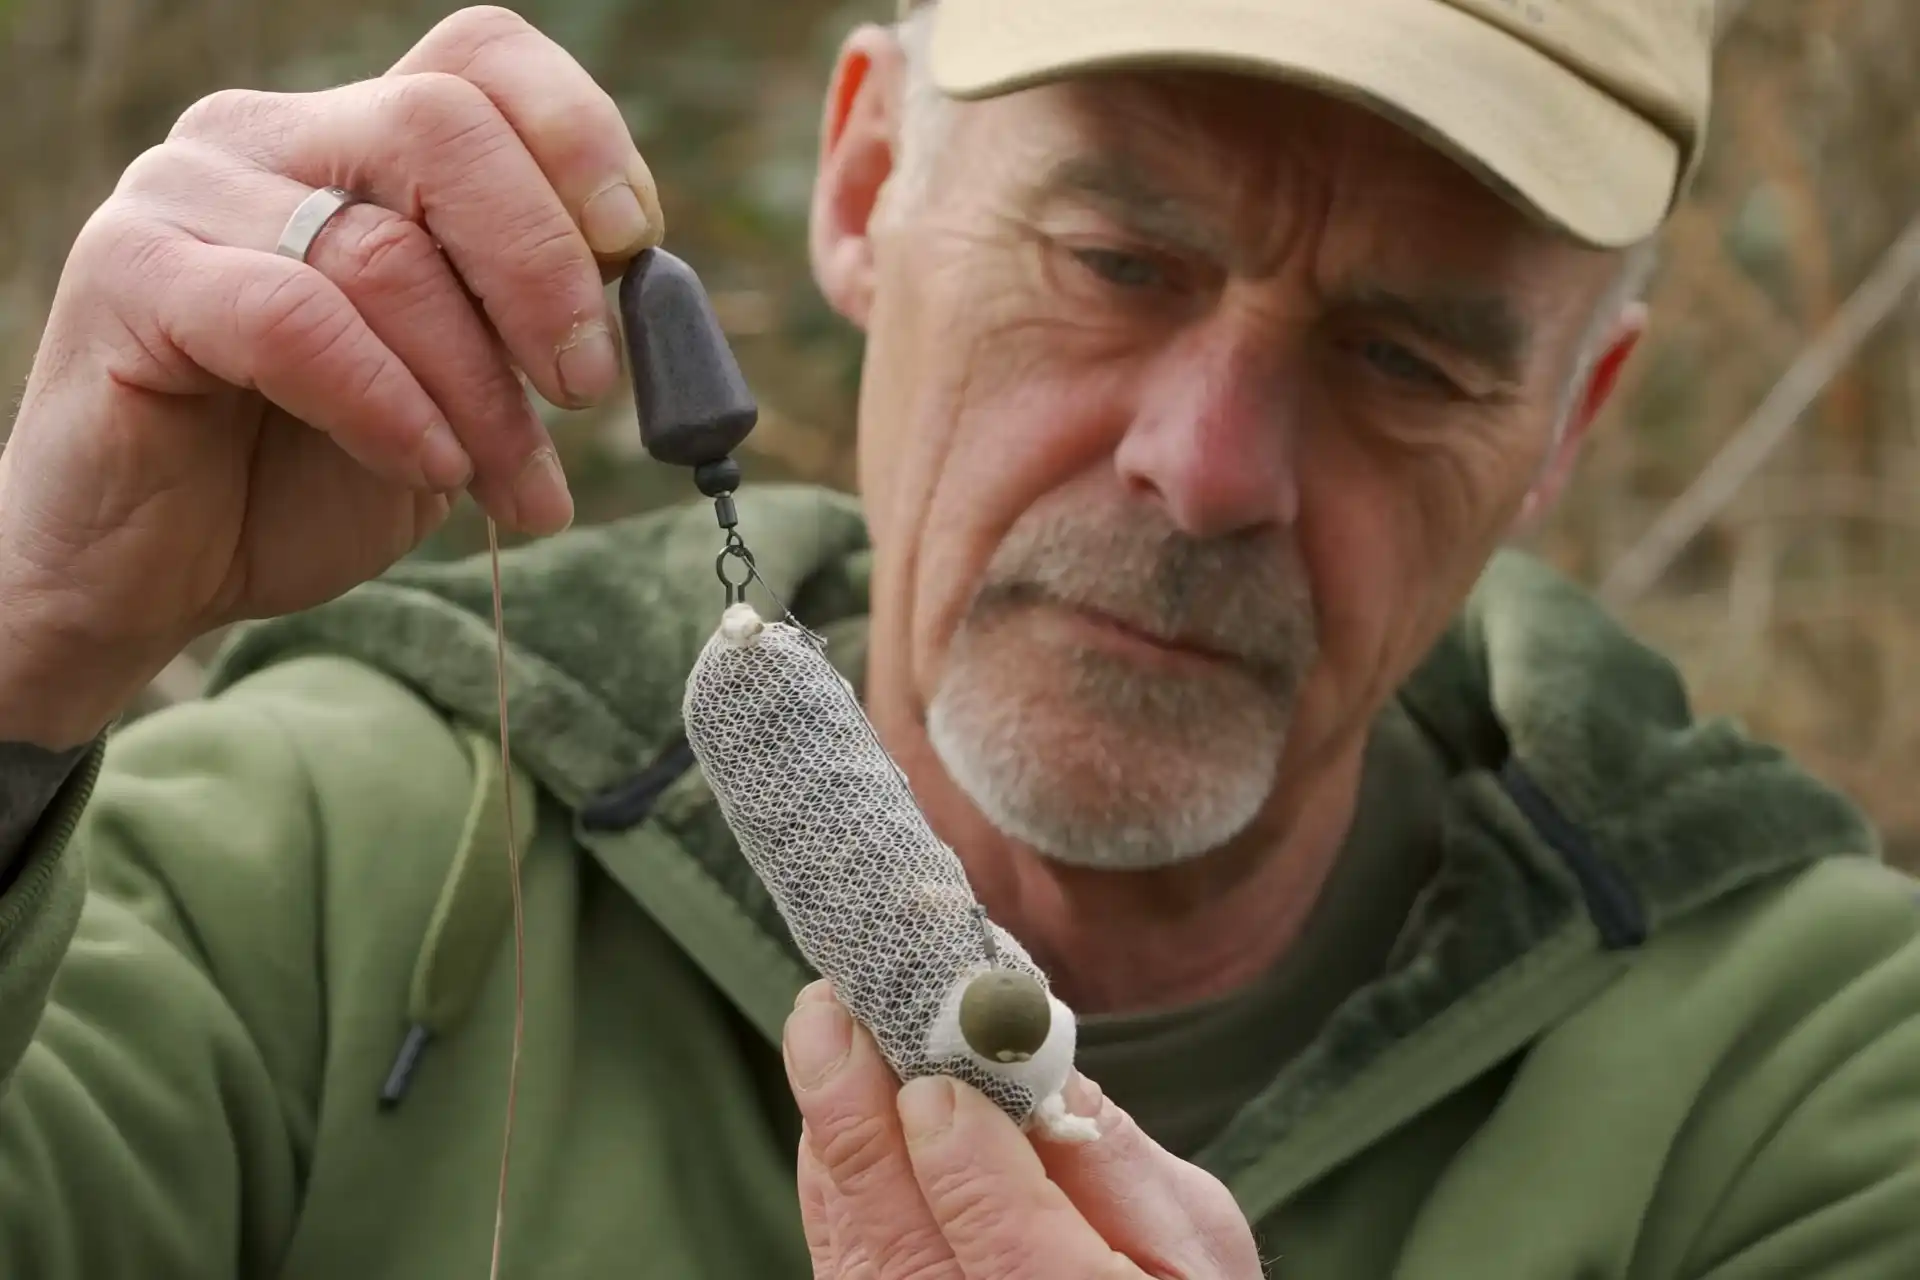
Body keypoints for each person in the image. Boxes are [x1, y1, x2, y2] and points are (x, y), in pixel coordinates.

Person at [1, 0, 1916, 1274]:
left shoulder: (1823, 1092)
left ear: (1569, 427)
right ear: (862, 186)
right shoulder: (297, 870)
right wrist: (24, 656)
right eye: (1116, 266)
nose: (1206, 466)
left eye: (1405, 358)